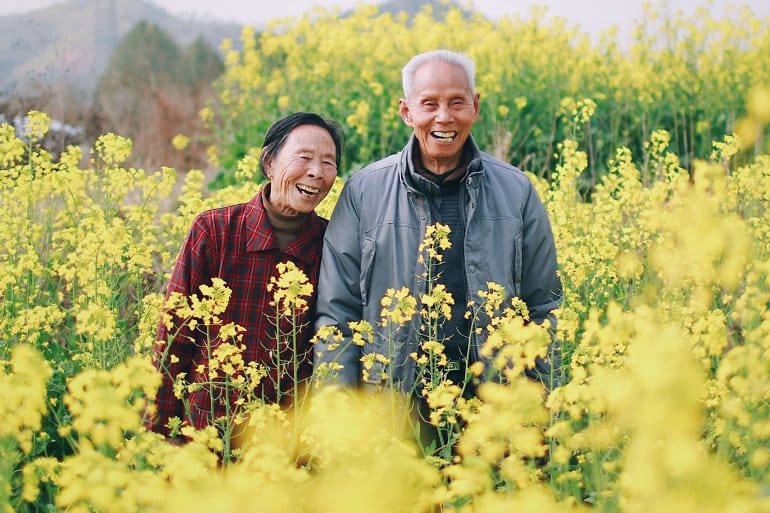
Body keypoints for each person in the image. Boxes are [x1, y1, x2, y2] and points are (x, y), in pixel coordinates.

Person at [313, 49, 561, 400]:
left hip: (495, 406)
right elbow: (337, 314)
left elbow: (544, 307)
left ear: (475, 106)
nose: (443, 117)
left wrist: (540, 409)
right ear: (406, 111)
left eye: (457, 103)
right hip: (394, 407)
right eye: (429, 103)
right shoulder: (364, 191)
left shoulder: (516, 191)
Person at [148, 112, 344, 440]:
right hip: (206, 434)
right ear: (269, 163)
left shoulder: (334, 244)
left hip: (283, 447)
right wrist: (156, 437)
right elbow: (173, 339)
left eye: (328, 162)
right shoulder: (214, 231)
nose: (316, 172)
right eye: (305, 157)